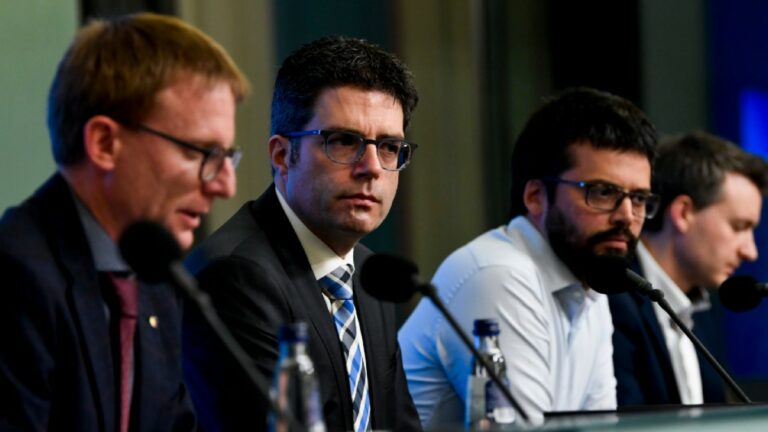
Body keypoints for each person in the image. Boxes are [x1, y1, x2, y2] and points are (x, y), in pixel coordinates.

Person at [0, 13, 249, 432]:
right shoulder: (16, 273)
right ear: (104, 143)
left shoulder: (156, 282)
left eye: (227, 157)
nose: (225, 185)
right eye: (200, 153)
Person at [182, 36, 422, 431]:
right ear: (282, 155)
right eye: (344, 141)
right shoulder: (234, 275)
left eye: (389, 146)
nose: (372, 168)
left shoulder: (369, 273)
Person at [398, 87, 658, 425]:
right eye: (603, 192)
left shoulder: (589, 283)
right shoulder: (498, 274)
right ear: (536, 196)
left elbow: (600, 426)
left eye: (639, 199)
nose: (627, 216)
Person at [609, 131, 768, 406]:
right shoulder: (613, 298)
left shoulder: (701, 309)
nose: (750, 252)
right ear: (683, 213)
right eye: (739, 227)